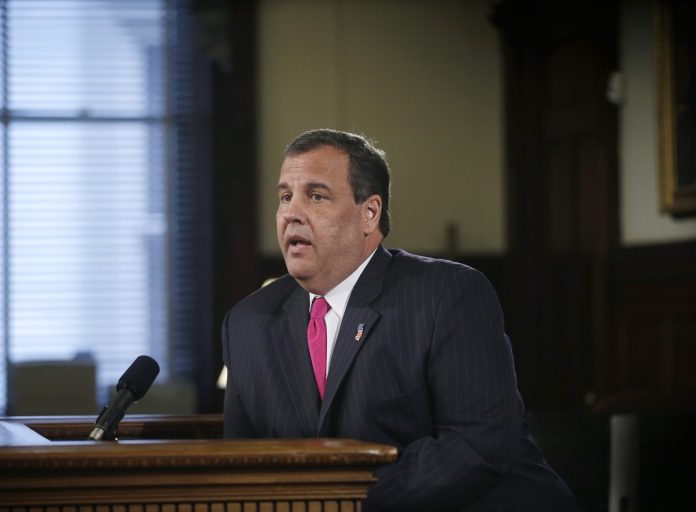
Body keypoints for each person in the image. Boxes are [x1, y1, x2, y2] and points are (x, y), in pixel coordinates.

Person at [221, 128, 577, 511]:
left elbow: (478, 445)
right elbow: (244, 465)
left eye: (316, 196)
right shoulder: (248, 322)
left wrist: (341, 504)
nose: (291, 213)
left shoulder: (447, 294)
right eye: (285, 197)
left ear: (369, 213)